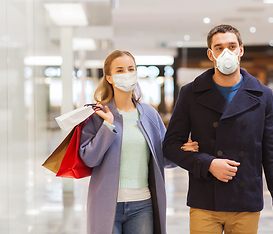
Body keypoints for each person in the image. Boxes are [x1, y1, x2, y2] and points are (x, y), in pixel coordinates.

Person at [163, 24, 273, 234]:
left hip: (245, 201)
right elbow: (170, 146)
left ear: (241, 50)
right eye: (219, 47)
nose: (226, 52)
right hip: (205, 199)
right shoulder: (190, 93)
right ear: (210, 54)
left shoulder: (263, 95)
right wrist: (209, 163)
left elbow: (272, 154)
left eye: (232, 46)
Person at [79, 50, 198, 234]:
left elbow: (163, 158)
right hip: (105, 204)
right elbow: (90, 159)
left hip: (142, 205)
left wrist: (182, 150)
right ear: (109, 78)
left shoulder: (149, 114)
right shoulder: (98, 115)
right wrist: (107, 126)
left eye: (130, 68)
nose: (126, 74)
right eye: (120, 70)